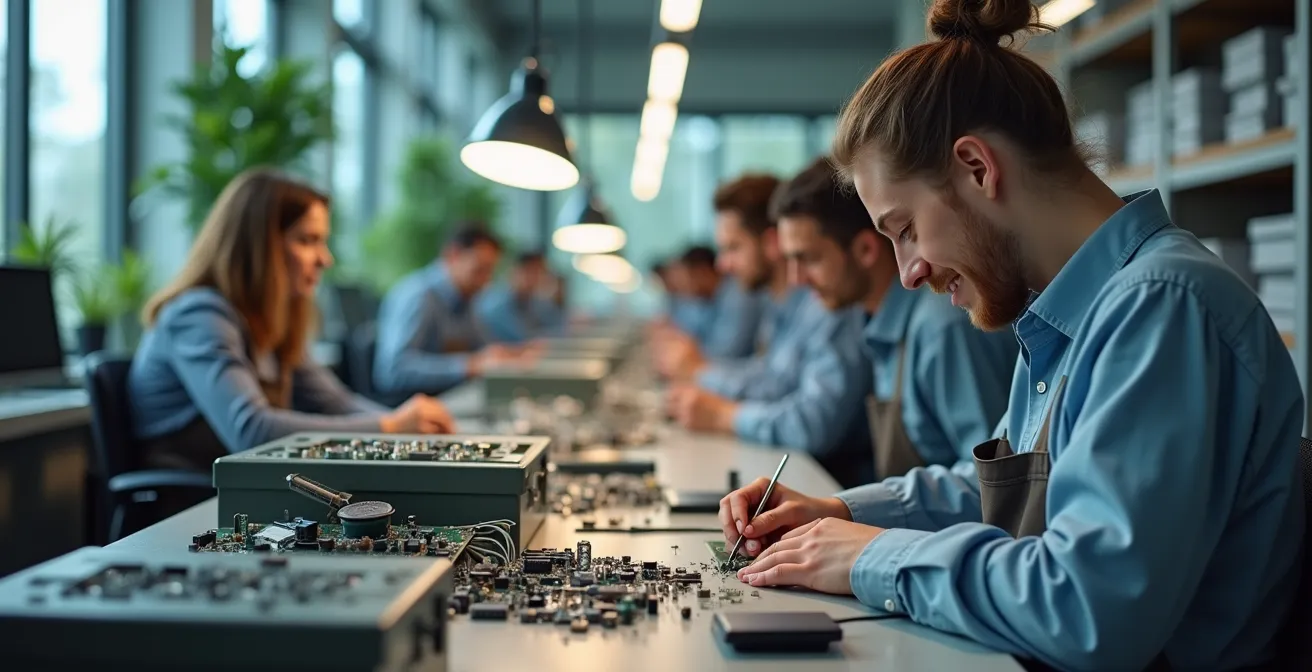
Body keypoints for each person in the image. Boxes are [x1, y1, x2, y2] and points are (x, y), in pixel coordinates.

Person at [717, 1, 1306, 669]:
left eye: (906, 230)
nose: (907, 273)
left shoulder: (1161, 308)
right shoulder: (1065, 313)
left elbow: (1089, 609)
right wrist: (839, 514)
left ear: (977, 167)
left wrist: (874, 557)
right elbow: (999, 492)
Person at [130, 168, 456, 475]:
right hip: (191, 503)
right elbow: (252, 430)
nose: (325, 259)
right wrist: (391, 426)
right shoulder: (197, 316)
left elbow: (334, 404)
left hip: (248, 490)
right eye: (307, 240)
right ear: (258, 247)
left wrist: (411, 425)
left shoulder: (271, 321)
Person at [655, 174, 812, 390]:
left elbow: (782, 392)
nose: (722, 265)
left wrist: (699, 371)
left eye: (733, 248)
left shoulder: (817, 306)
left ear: (772, 242)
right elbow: (765, 374)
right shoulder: (774, 303)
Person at [373, 224, 536, 398]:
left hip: (447, 399)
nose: (486, 282)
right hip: (412, 405)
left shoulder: (466, 298)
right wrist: (468, 366)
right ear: (453, 255)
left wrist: (510, 355)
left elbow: (485, 350)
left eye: (490, 272)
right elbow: (393, 371)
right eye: (480, 270)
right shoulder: (417, 296)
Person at [655, 245, 764, 360]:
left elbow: (728, 353)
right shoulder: (711, 300)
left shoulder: (738, 295)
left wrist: (690, 352)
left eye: (685, 278)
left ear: (702, 272)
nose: (683, 286)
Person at [475, 251, 566, 343]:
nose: (535, 278)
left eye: (540, 273)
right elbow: (520, 337)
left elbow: (559, 326)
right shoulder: (497, 303)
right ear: (515, 271)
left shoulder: (536, 302)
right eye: (531, 272)